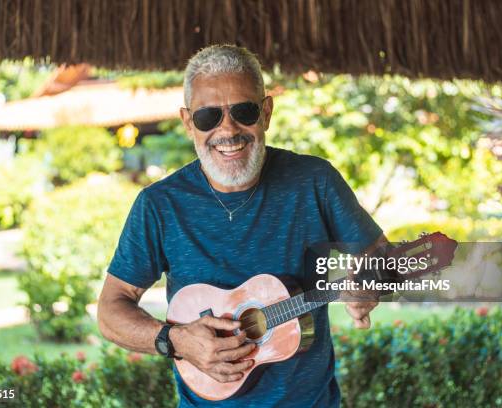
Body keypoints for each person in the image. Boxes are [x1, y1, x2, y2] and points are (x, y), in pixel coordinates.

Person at [97, 44, 384, 407]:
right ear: (188, 123)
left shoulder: (315, 181)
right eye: (208, 117)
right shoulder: (159, 205)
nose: (228, 129)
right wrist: (176, 339)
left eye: (244, 112)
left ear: (266, 112)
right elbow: (110, 310)